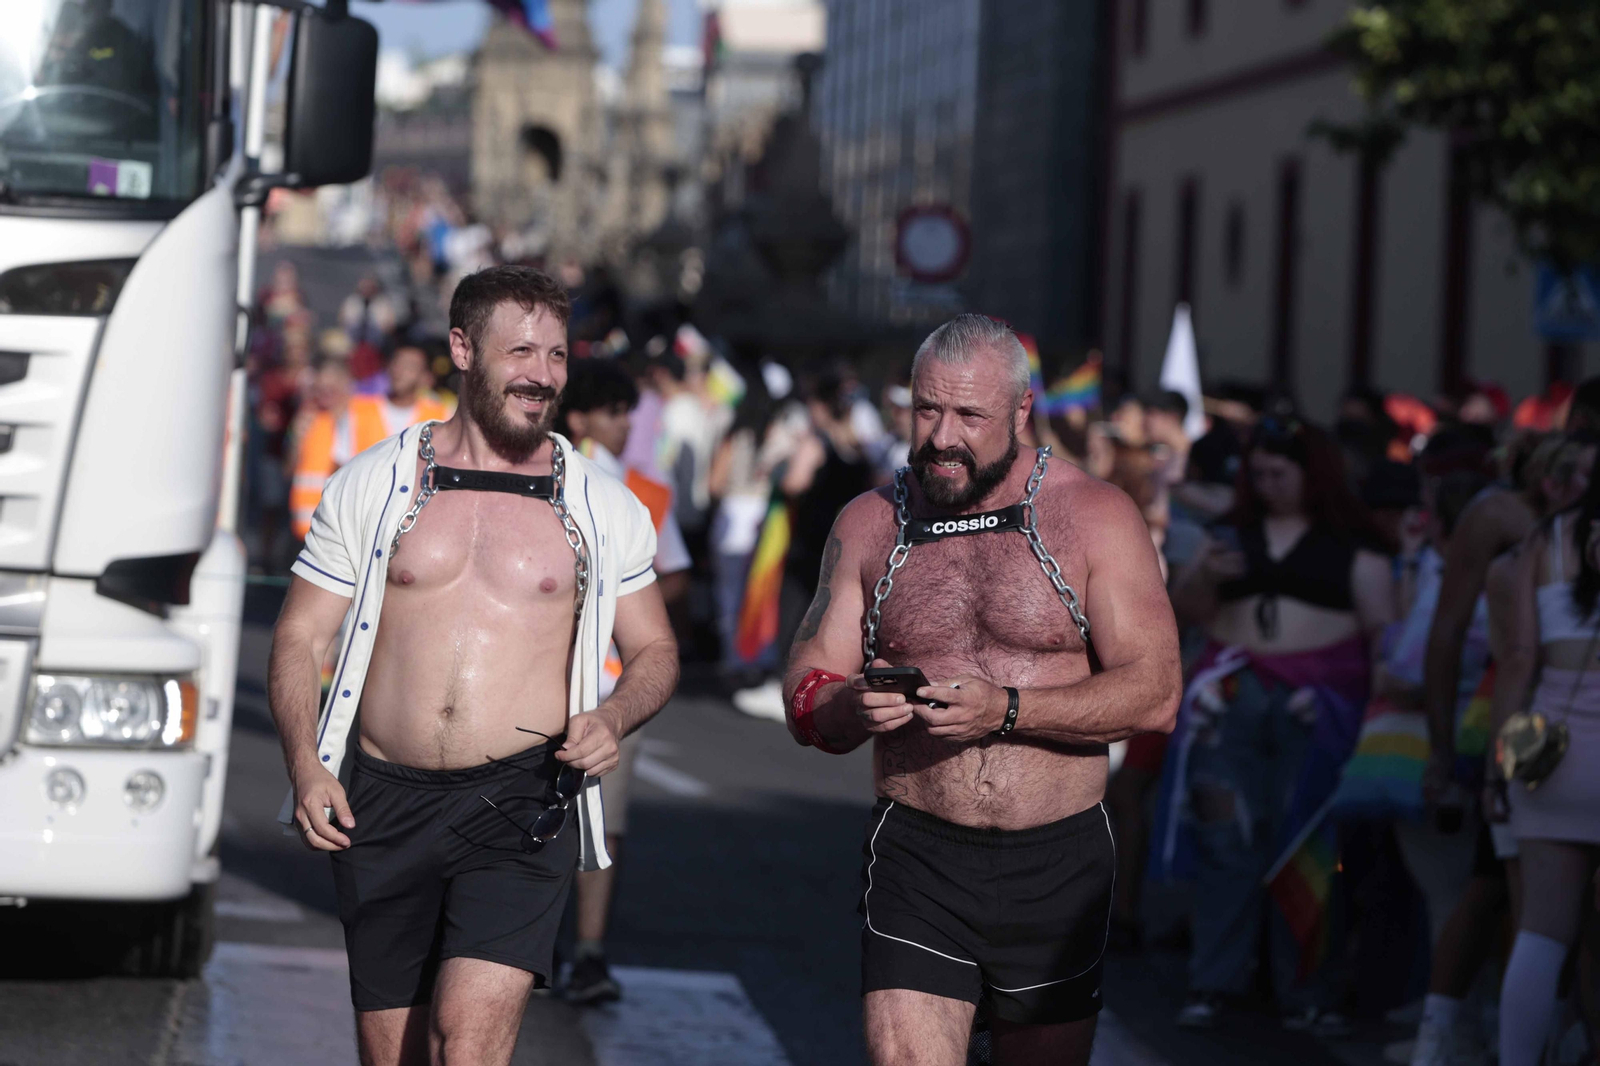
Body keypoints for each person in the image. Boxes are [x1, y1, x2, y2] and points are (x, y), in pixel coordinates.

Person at [267, 266, 679, 1066]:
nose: (543, 375)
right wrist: (307, 763)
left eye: (557, 355)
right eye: (521, 350)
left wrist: (614, 715)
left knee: (470, 1039)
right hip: (381, 802)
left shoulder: (601, 503)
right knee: (395, 1053)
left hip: (521, 801)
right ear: (462, 348)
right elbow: (299, 638)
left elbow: (656, 649)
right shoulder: (374, 484)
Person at [783, 313, 1181, 1066]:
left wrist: (1007, 710)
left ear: (1022, 412)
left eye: (969, 415)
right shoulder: (872, 523)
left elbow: (1156, 694)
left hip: (1059, 862)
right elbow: (806, 690)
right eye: (926, 409)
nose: (941, 436)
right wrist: (844, 704)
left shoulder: (1094, 517)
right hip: (918, 856)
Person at [1166, 411, 1395, 1033]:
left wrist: (1374, 715)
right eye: (1258, 473)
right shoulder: (1232, 533)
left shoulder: (1354, 543)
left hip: (1317, 708)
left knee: (1310, 846)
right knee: (1226, 842)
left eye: (1279, 472)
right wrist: (1204, 573)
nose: (1266, 483)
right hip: (1234, 700)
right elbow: (1185, 611)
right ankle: (1214, 982)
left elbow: (1382, 634)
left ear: (1312, 473)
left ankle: (1307, 992)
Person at [557, 357, 692, 1006]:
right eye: (612, 411)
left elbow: (674, 574)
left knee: (599, 827)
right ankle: (568, 953)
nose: (623, 423)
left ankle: (583, 952)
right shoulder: (548, 476)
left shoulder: (644, 491)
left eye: (627, 411)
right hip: (557, 686)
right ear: (579, 415)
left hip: (610, 691)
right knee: (587, 825)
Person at [1490, 452, 1600, 1066]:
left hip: (1556, 760)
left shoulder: (1547, 537)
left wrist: (1495, 765)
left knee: (1541, 934)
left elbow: (1518, 658)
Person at [735, 372, 875, 721]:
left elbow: (795, 483)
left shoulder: (817, 443)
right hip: (842, 543)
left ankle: (783, 684)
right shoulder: (857, 446)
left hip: (808, 543)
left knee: (795, 614)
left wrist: (781, 467)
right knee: (828, 617)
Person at [289, 347, 449, 541]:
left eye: (409, 367)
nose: (399, 371)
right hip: (361, 528)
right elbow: (340, 467)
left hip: (415, 529)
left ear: (426, 378)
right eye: (397, 364)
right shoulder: (359, 410)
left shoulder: (441, 416)